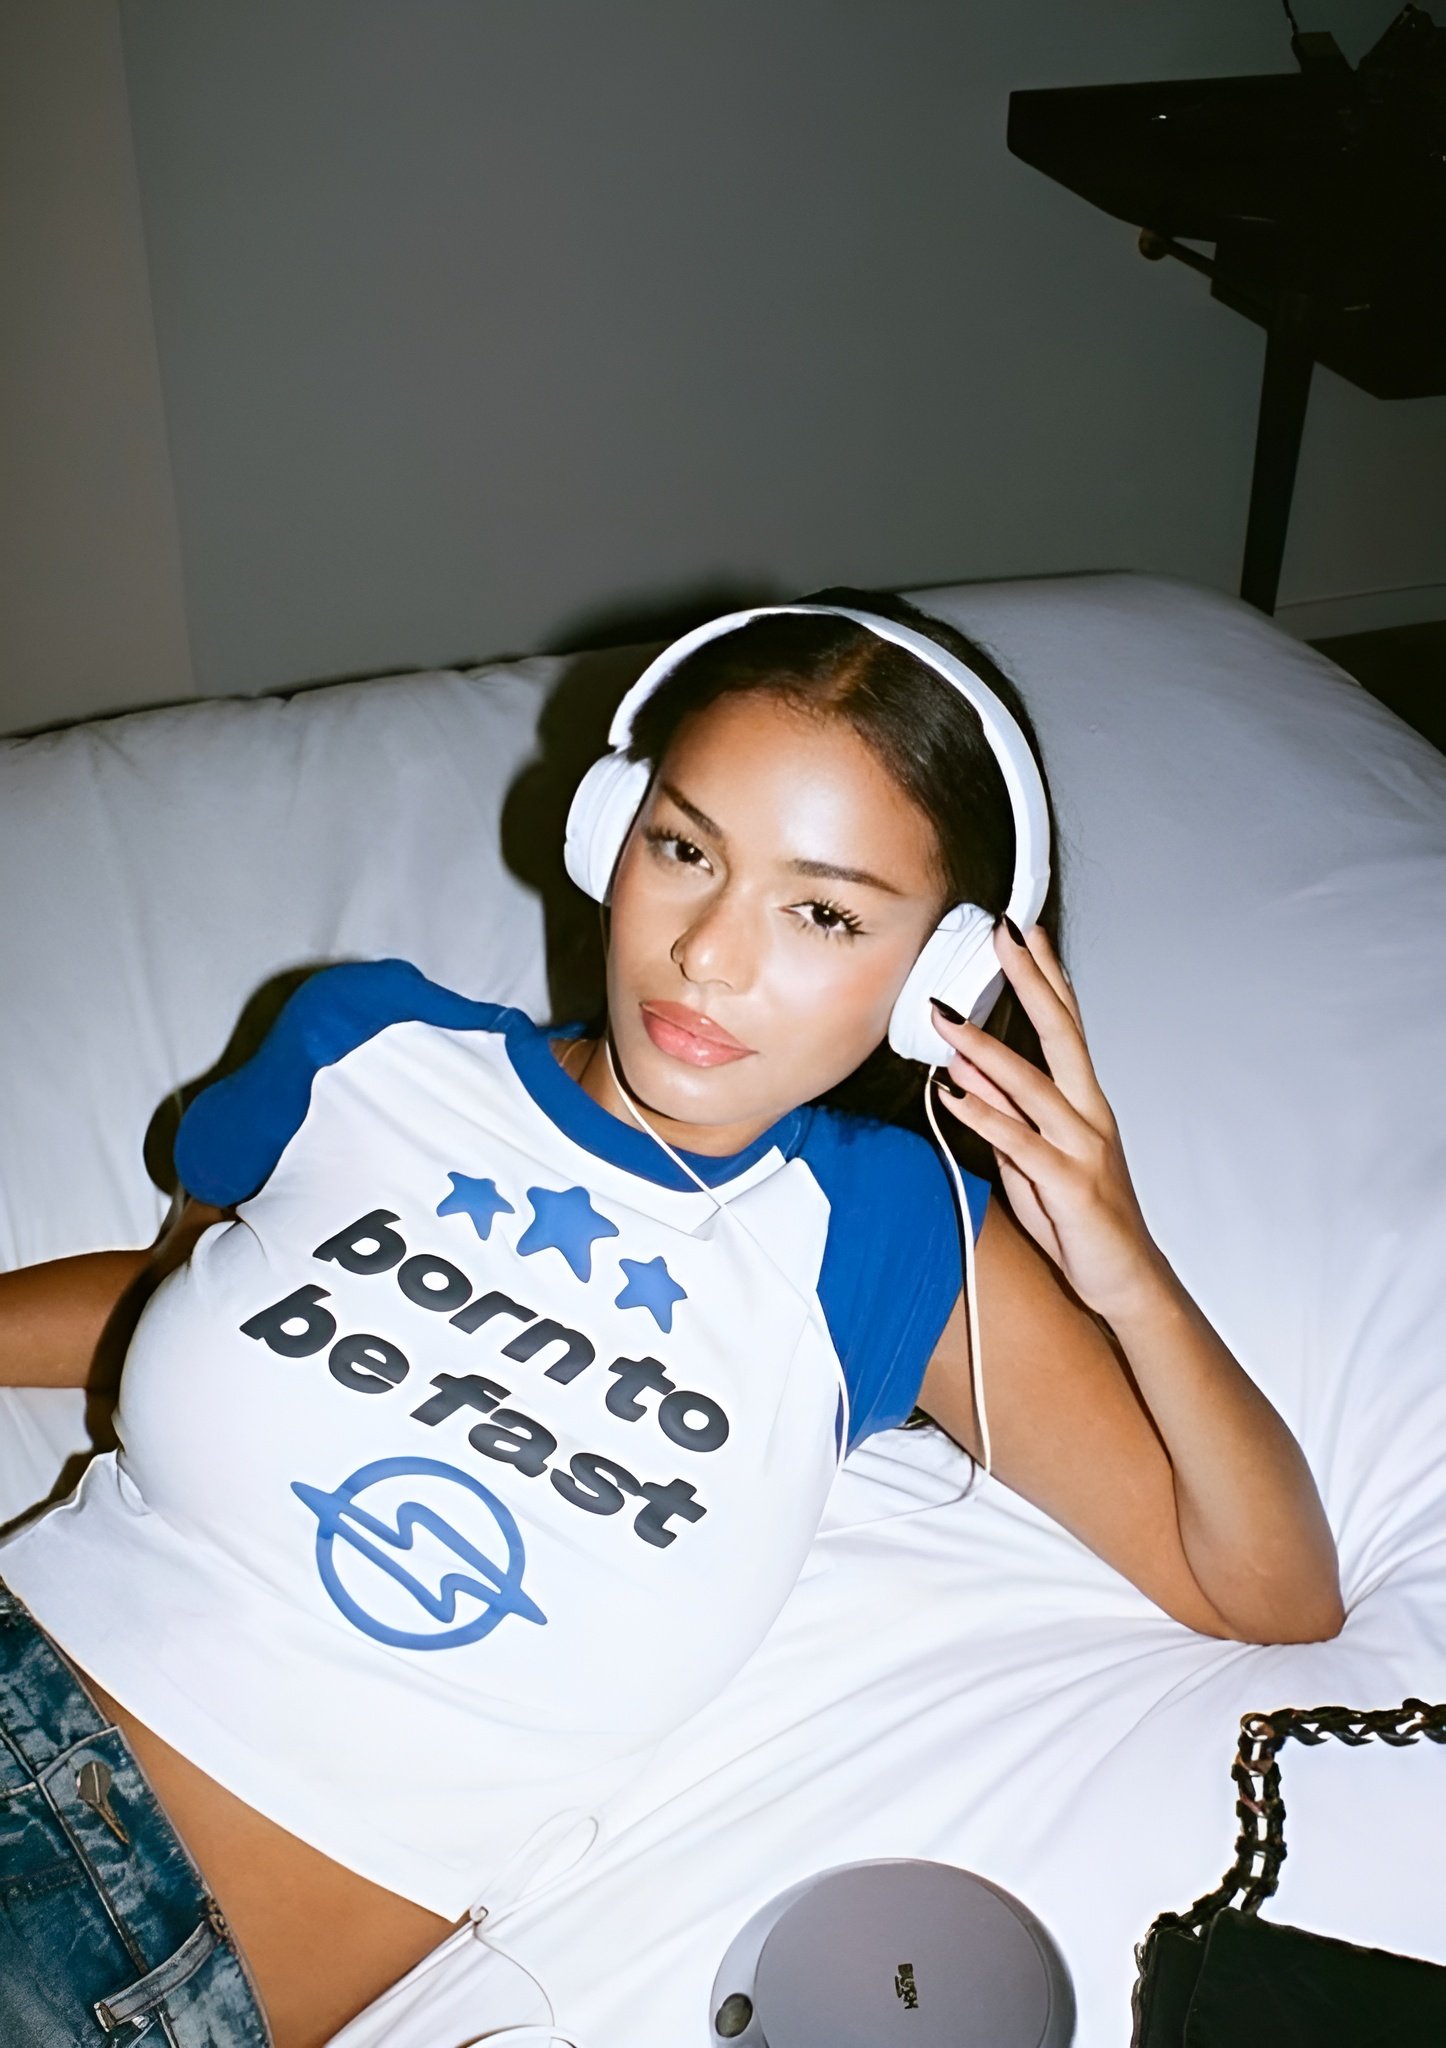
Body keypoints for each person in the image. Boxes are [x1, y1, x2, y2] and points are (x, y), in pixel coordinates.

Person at [0, 590, 1344, 2048]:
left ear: (941, 978)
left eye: (820, 911)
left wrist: (1121, 1262)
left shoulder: (888, 1237)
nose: (708, 953)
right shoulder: (366, 1041)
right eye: (685, 850)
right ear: (606, 835)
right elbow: (168, 1300)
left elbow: (1267, 1592)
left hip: (143, 1970)